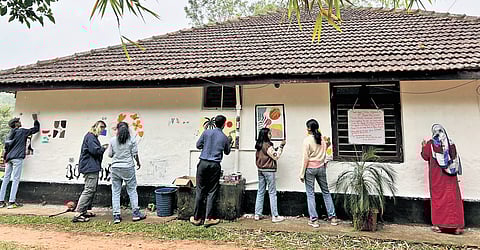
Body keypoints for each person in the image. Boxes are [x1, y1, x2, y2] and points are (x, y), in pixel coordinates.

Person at [421, 124, 464, 235]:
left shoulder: (430, 145)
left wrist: (423, 146)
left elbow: (425, 156)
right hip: (451, 178)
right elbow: (455, 159)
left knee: (438, 199)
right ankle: (457, 227)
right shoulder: (451, 143)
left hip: (436, 177)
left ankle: (438, 225)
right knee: (454, 199)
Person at [190, 115, 232, 227]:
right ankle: (209, 218)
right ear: (224, 124)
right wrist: (229, 143)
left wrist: (206, 145)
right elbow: (227, 152)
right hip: (215, 165)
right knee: (212, 191)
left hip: (203, 163)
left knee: (200, 190)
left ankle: (196, 218)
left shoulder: (206, 133)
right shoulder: (224, 137)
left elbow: (198, 145)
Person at [299, 119, 339, 228]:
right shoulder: (322, 139)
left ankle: (314, 220)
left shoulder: (307, 140)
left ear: (308, 129)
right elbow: (327, 146)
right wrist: (329, 143)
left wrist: (302, 173)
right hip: (321, 168)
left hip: (310, 169)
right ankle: (333, 217)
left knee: (310, 194)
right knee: (326, 192)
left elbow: (305, 158)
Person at [108, 122, 146, 224]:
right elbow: (135, 154)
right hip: (128, 167)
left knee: (115, 191)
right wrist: (138, 163)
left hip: (115, 167)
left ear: (118, 129)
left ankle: (116, 216)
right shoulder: (132, 140)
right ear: (128, 129)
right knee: (132, 190)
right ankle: (136, 214)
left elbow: (110, 155)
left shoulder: (112, 140)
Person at [0, 114, 40, 209]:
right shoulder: (22, 131)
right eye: (18, 121)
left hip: (8, 158)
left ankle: (1, 202)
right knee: (15, 179)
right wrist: (35, 120)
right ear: (16, 124)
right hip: (17, 158)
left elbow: (6, 147)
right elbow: (35, 129)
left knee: (6, 179)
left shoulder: (9, 134)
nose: (20, 122)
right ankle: (11, 202)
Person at [72, 120, 108, 223]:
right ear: (96, 127)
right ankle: (78, 213)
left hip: (90, 166)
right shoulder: (91, 137)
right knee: (89, 190)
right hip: (90, 167)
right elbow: (95, 151)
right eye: (101, 128)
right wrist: (103, 148)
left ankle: (84, 211)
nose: (102, 131)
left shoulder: (91, 136)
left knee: (91, 189)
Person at [254, 128, 286, 223]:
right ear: (265, 135)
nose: (270, 135)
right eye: (269, 134)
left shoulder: (258, 145)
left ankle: (257, 213)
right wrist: (281, 147)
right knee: (272, 192)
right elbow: (275, 156)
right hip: (269, 170)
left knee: (260, 191)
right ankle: (275, 216)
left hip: (260, 170)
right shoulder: (268, 145)